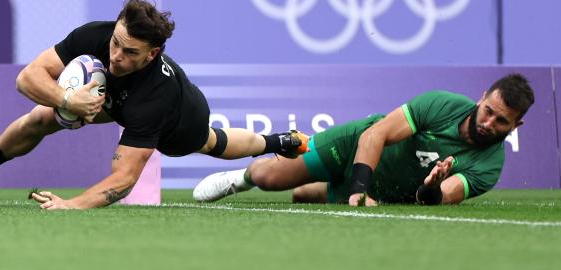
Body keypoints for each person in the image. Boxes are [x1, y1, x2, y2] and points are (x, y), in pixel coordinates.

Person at [0, 0, 309, 209]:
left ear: (152, 53)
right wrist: (67, 98)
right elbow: (26, 78)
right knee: (41, 116)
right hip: (112, 97)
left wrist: (71, 205)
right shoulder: (97, 36)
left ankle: (275, 142)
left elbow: (123, 180)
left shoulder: (156, 98)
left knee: (210, 142)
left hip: (180, 119)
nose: (115, 56)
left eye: (129, 52)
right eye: (115, 43)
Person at [193, 74, 534, 206]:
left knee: (302, 196)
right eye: (488, 111)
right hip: (355, 147)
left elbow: (437, 199)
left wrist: (431, 187)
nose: (488, 123)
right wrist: (358, 189)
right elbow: (377, 134)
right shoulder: (442, 104)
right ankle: (239, 178)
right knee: (270, 178)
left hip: (385, 190)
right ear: (482, 97)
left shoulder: (489, 166)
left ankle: (326, 185)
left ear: (516, 125)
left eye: (501, 121)